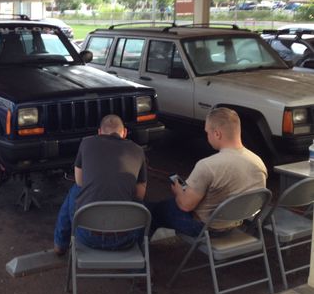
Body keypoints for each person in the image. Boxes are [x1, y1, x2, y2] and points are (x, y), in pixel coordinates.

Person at [148, 107, 267, 237]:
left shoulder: (208, 165)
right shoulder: (258, 162)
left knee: (155, 210)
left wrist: (178, 191)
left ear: (217, 134)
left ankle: (141, 245)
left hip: (207, 229)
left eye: (207, 132)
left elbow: (185, 206)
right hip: (239, 222)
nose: (207, 136)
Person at [53, 114, 148, 255]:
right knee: (139, 204)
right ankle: (140, 257)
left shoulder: (86, 143)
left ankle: (60, 245)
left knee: (75, 190)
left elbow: (80, 181)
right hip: (126, 238)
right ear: (124, 133)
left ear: (99, 132)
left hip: (87, 235)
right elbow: (140, 194)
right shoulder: (138, 151)